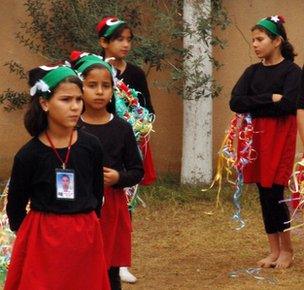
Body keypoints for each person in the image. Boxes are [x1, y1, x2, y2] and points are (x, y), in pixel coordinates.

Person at [4, 65, 110, 290]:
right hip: (43, 242)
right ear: (44, 103)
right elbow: (15, 208)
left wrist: (87, 225)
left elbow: (96, 192)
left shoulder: (91, 146)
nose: (75, 107)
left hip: (84, 236)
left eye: (78, 99)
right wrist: (34, 237)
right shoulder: (28, 155)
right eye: (65, 100)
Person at [230, 15, 301, 269]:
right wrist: (269, 97)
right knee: (263, 192)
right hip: (256, 139)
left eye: (260, 39)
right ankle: (273, 250)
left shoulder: (292, 72)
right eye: (253, 40)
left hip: (279, 138)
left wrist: (260, 102)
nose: (255, 45)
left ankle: (287, 250)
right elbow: (236, 101)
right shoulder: (252, 72)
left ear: (277, 41)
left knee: (275, 192)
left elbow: (288, 105)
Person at [71, 52, 144, 290]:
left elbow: (136, 170)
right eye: (92, 85)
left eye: (106, 86)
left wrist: (118, 177)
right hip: (77, 208)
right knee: (80, 266)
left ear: (114, 90)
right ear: (79, 88)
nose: (100, 92)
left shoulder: (121, 128)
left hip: (111, 207)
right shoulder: (72, 127)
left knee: (109, 266)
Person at [96, 16, 156, 283]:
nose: (126, 44)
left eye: (129, 39)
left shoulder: (135, 73)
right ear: (104, 42)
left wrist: (138, 123)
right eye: (119, 39)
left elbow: (148, 110)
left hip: (129, 143)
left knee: (125, 202)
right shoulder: (95, 70)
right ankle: (96, 254)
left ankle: (120, 262)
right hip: (100, 142)